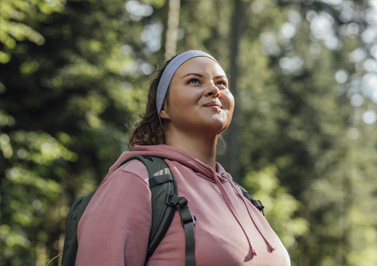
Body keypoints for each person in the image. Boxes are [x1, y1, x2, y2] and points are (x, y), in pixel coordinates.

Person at [75, 50, 290, 265]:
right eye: (194, 81)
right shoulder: (136, 181)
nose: (214, 89)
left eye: (221, 83)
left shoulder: (243, 197)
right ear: (164, 107)